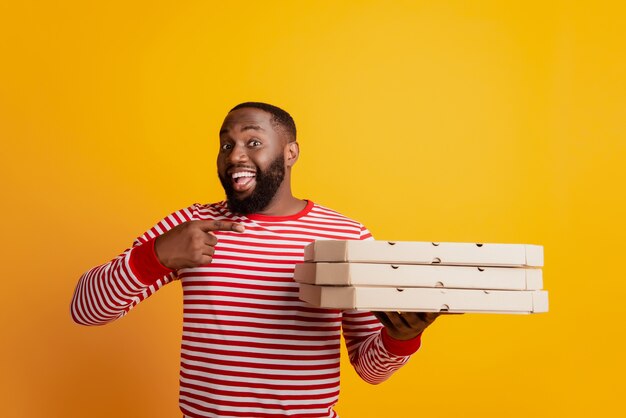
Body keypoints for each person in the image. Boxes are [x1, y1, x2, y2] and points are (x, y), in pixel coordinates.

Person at [71, 102, 440, 418]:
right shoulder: (191, 226)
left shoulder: (347, 236)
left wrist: (401, 338)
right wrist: (155, 256)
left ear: (290, 153)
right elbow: (86, 310)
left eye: (253, 142)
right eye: (226, 144)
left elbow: (370, 369)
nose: (234, 155)